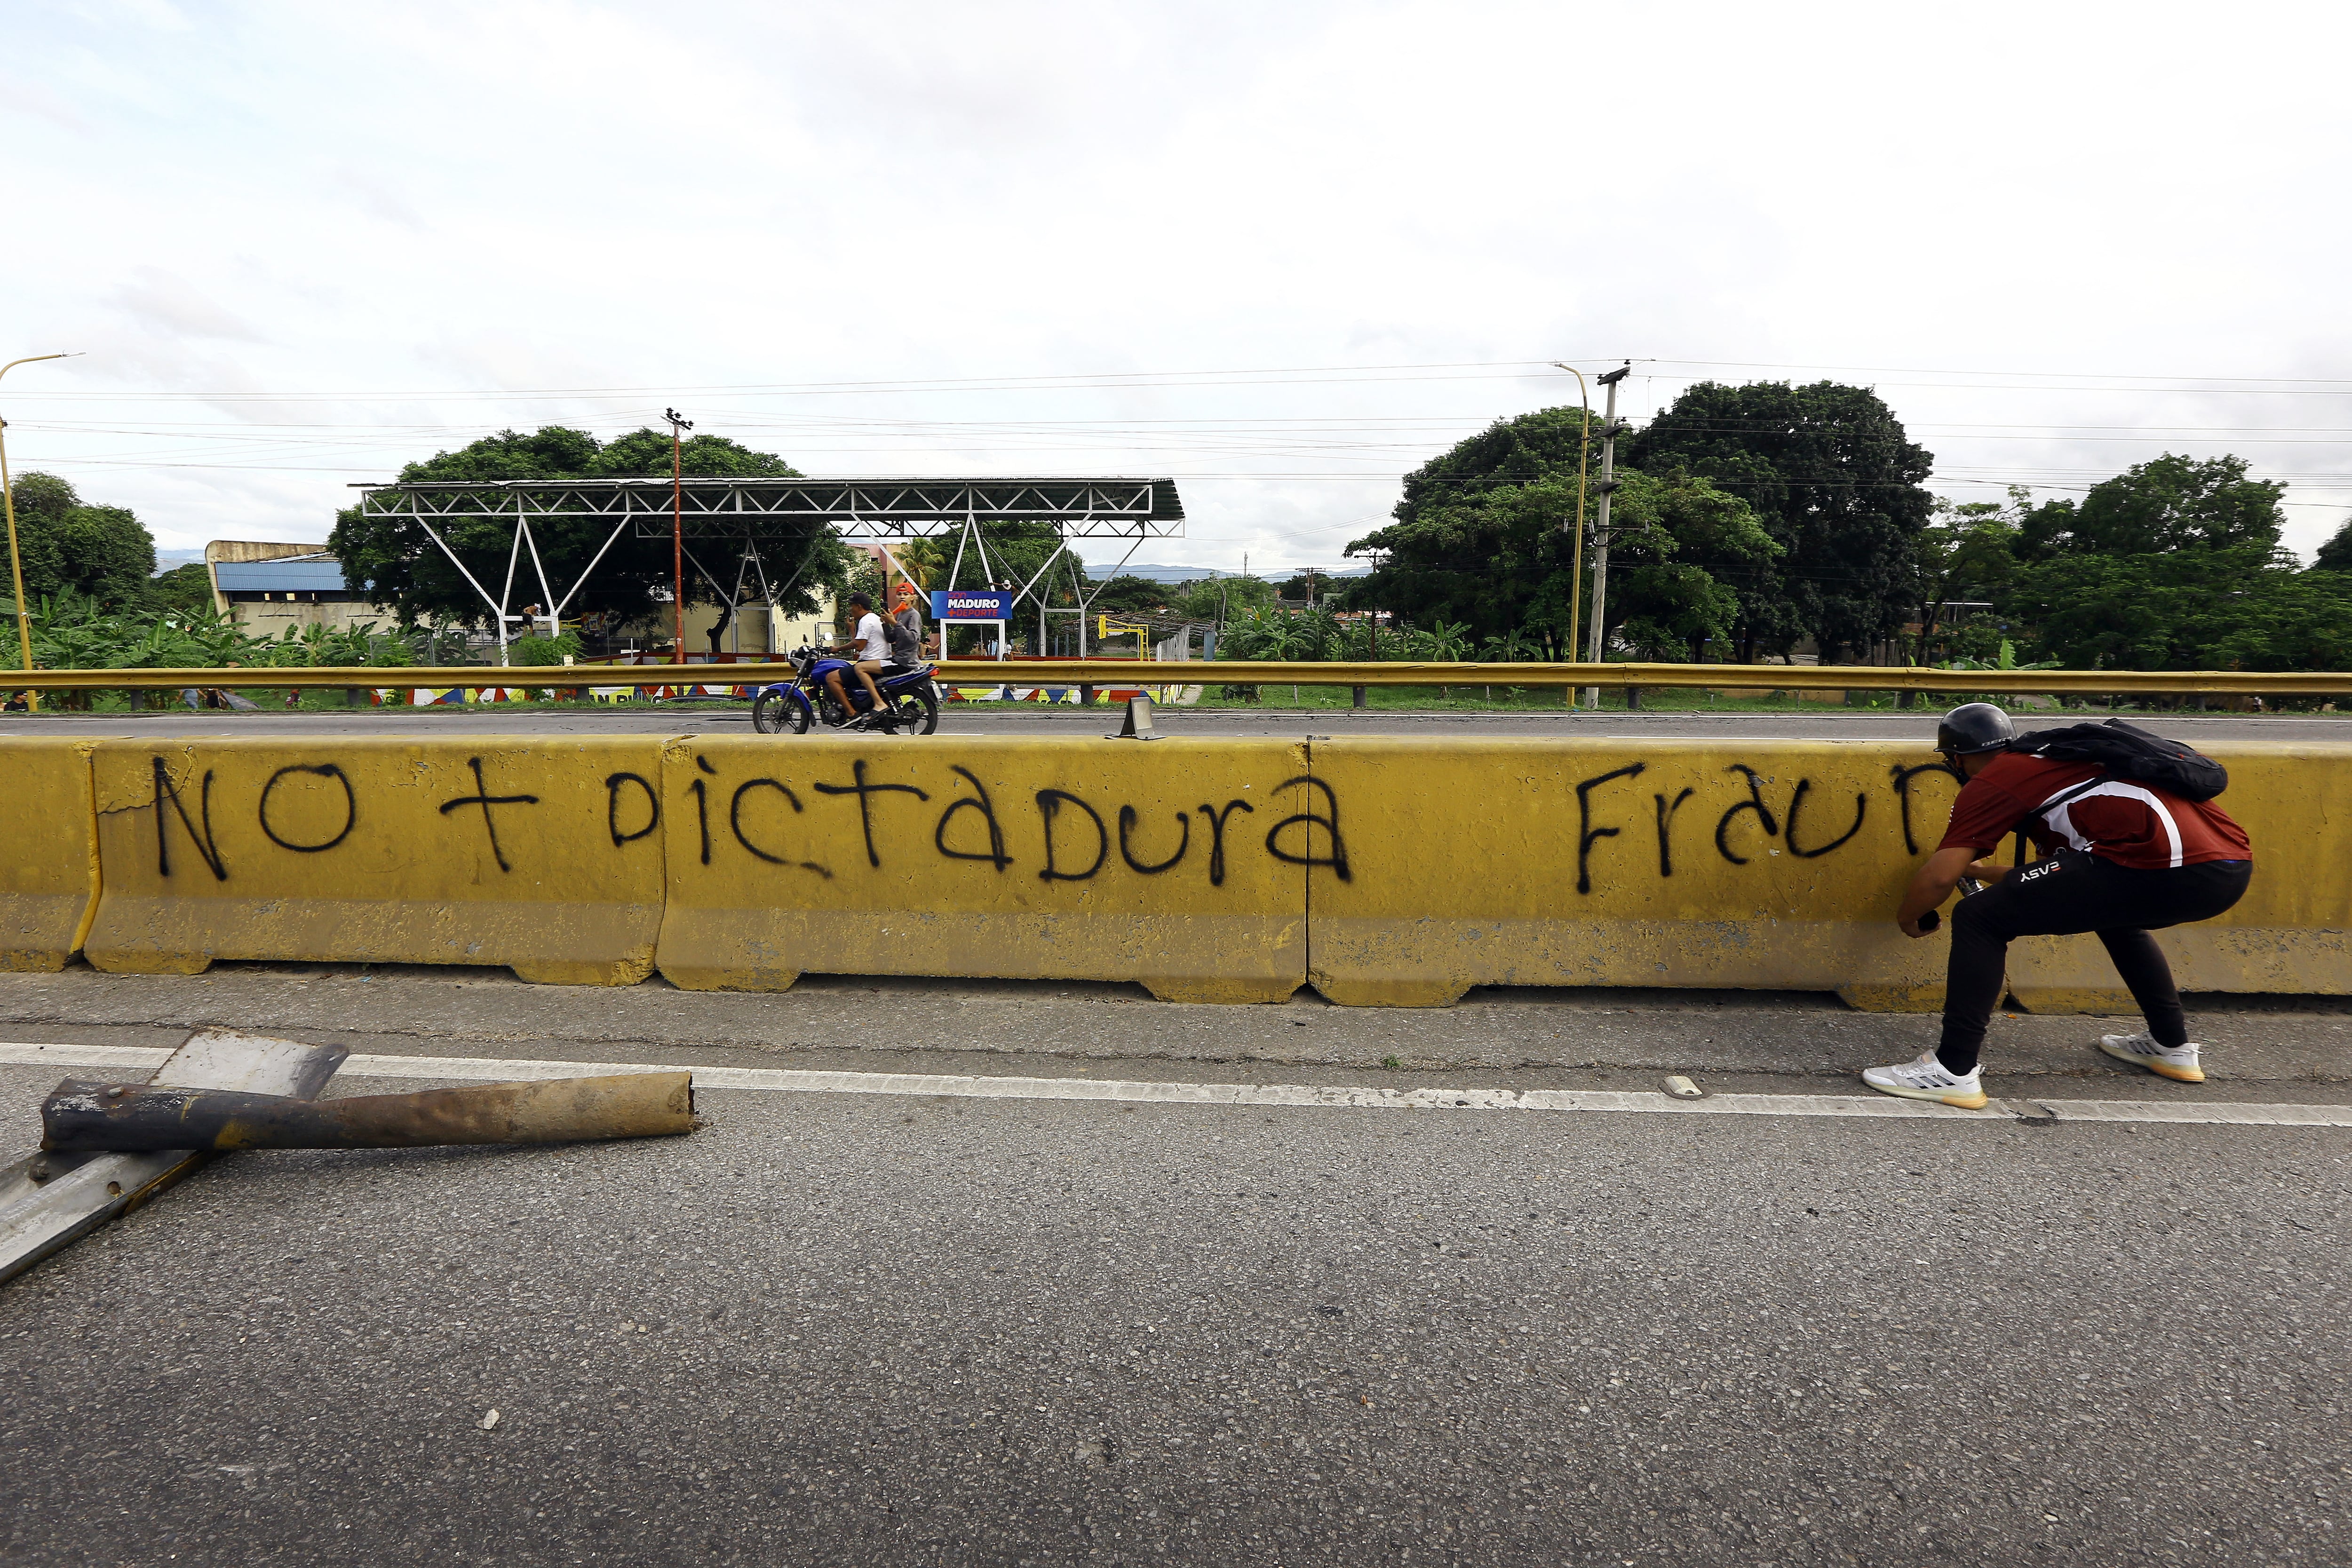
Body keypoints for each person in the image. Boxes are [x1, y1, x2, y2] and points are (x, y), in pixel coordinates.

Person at [1865, 702, 2254, 1109]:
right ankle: (2171, 1045)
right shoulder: (2063, 762)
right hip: (2227, 870)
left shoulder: (1997, 778)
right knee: (2115, 917)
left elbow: (1939, 878)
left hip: (2154, 866)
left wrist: (1909, 916)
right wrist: (1984, 871)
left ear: (1958, 758)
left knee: (1978, 917)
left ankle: (1952, 1070)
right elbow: (2062, 878)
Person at [824, 592, 890, 725]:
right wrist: (852, 630)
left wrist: (837, 649)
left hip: (870, 663)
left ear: (859, 607)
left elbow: (859, 646)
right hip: (879, 662)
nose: (850, 609)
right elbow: (859, 644)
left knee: (831, 678)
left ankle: (851, 714)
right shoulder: (875, 618)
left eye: (851, 606)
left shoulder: (866, 621)